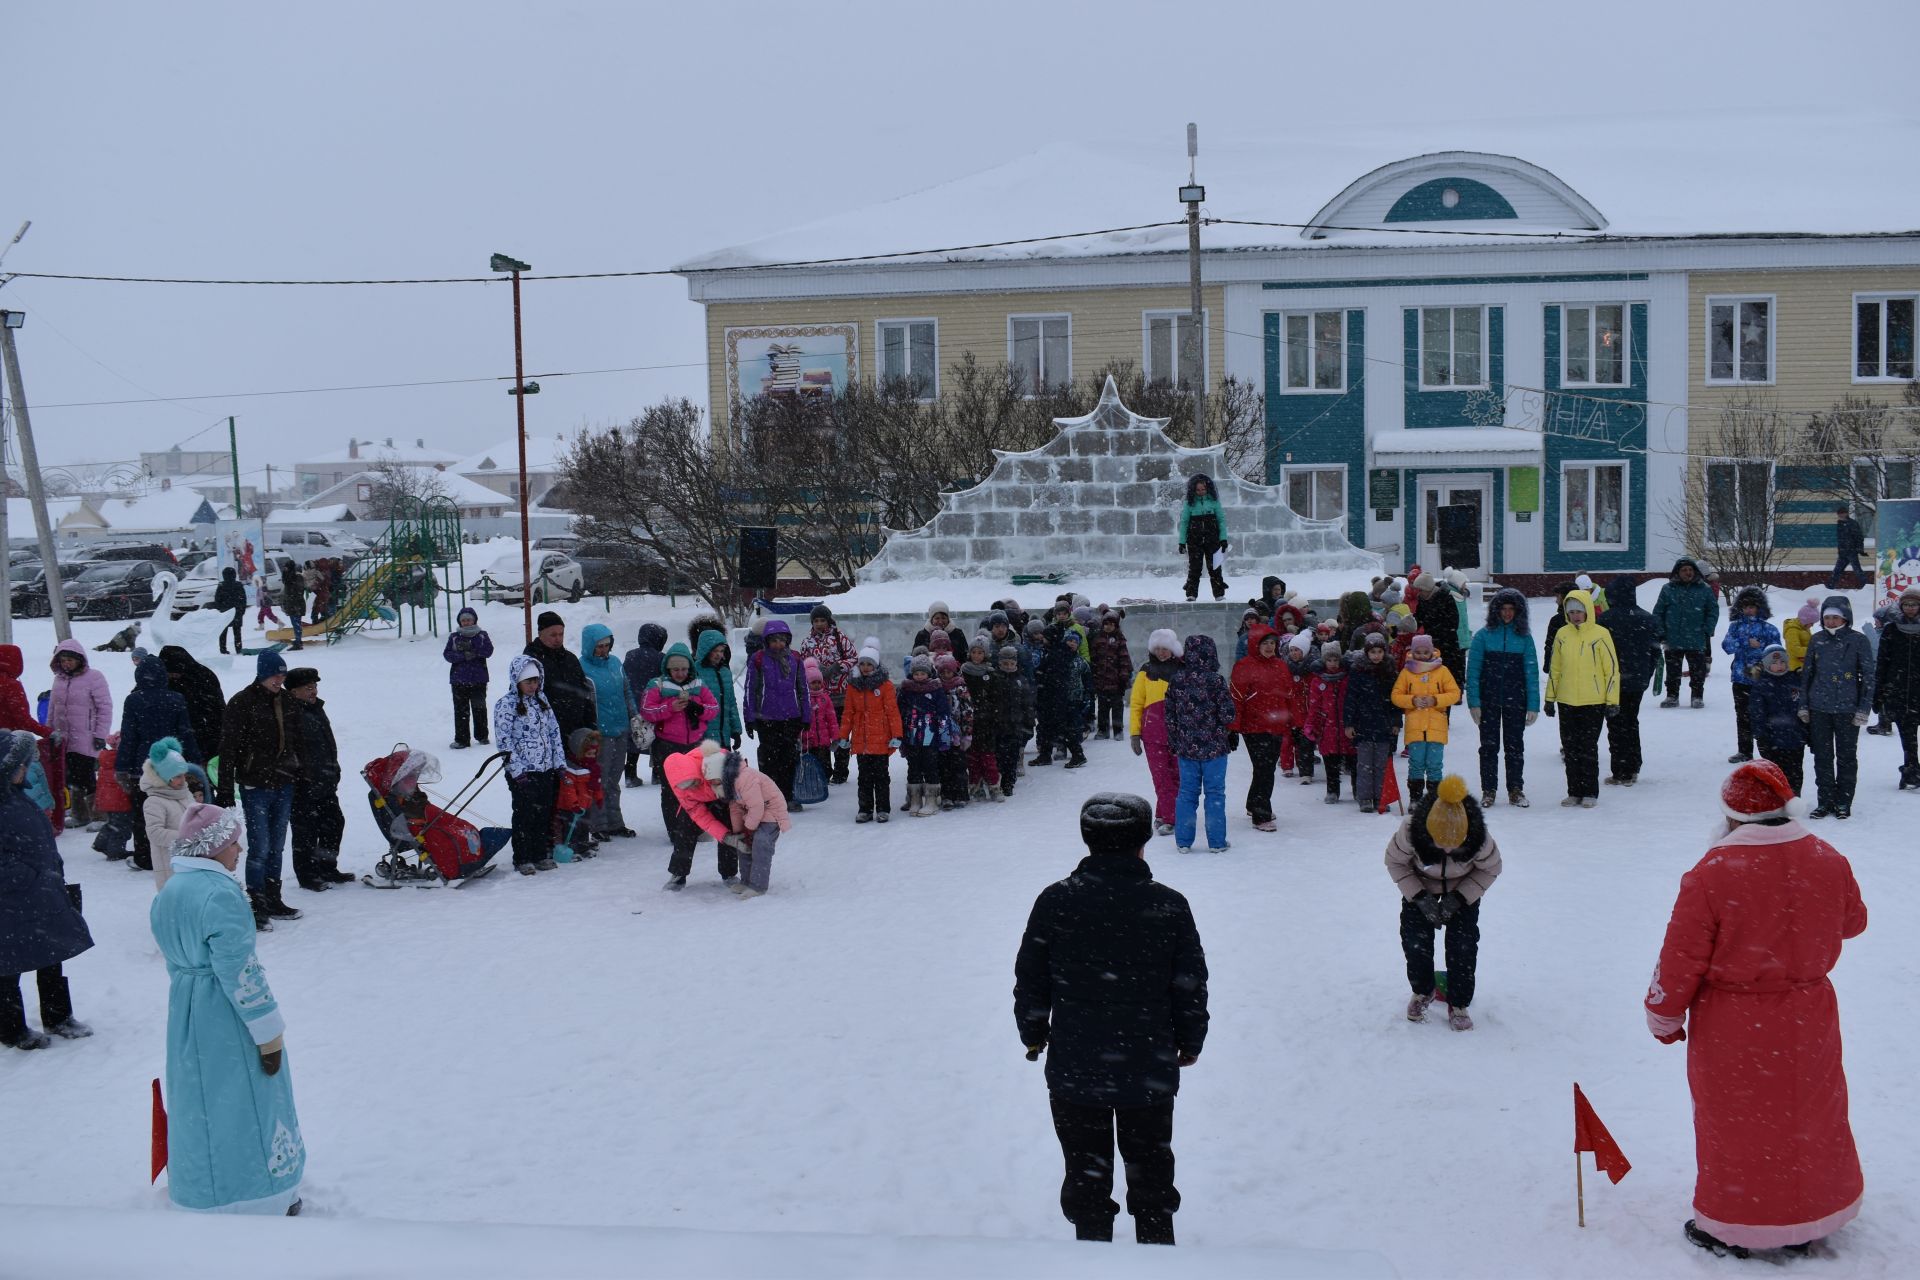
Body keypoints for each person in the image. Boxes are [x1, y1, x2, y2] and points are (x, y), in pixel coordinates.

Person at [1645, 760, 1865, 1258]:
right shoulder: (1828, 859)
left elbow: (1681, 957)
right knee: (1810, 1115)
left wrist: (1663, 1014)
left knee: (1738, 1122)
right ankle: (1812, 1213)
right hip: (1809, 1016)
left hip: (1734, 1021)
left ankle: (1737, 1222)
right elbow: (1853, 922)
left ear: (1731, 817)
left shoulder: (1713, 874)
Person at [1014, 793, 1208, 1246]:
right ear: (1144, 840)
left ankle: (1093, 1248)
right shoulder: (1168, 904)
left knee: (1085, 1169)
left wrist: (1033, 1033)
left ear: (1088, 839)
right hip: (1148, 1061)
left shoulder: (1056, 900)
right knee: (1151, 1167)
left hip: (1077, 1061)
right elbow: (1190, 982)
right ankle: (1157, 1249)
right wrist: (1191, 1040)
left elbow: (1031, 977)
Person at [150, 803, 306, 1215]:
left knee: (199, 1101)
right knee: (244, 1097)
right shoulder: (220, 893)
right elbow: (240, 971)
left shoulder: (171, 891)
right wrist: (268, 1033)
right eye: (233, 842)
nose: (239, 850)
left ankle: (202, 1188)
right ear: (213, 847)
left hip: (186, 1010)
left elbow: (173, 956)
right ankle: (258, 1194)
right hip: (226, 1014)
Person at [1, 730, 94, 1051]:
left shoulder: (18, 795)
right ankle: (12, 1029)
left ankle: (58, 1017)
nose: (26, 770)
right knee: (8, 968)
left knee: (52, 954)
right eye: (21, 764)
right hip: (12, 901)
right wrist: (26, 876)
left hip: (42, 893)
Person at [1386, 775, 1501, 1032]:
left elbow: (1491, 869)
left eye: (1454, 846)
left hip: (1462, 889)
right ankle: (1422, 991)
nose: (1447, 851)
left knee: (1463, 943)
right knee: (1415, 940)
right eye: (1441, 845)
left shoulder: (1478, 837)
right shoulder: (1410, 831)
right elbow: (1394, 862)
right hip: (1421, 886)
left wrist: (1460, 898)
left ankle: (1459, 1002)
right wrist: (1419, 896)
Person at [215, 652, 303, 928]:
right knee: (260, 847)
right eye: (275, 674)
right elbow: (227, 749)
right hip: (255, 785)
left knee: (277, 846)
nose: (280, 680)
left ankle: (273, 896)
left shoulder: (287, 701)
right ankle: (256, 901)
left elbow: (298, 741)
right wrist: (225, 789)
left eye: (283, 675)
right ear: (262, 673)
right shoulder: (242, 702)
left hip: (284, 782)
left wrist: (300, 772)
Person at [117, 654, 200, 872]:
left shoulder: (134, 700)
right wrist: (194, 762)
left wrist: (122, 767)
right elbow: (186, 733)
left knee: (144, 813)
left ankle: (145, 856)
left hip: (142, 766)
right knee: (175, 809)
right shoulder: (176, 698)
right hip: (172, 764)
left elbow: (129, 737)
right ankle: (178, 851)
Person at [1800, 597, 1875, 820]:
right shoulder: (1817, 640)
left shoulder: (1858, 640)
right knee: (1822, 757)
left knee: (1846, 757)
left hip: (1847, 709)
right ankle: (1825, 800)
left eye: (1835, 617)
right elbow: (1807, 675)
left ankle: (1843, 801)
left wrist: (1864, 708)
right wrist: (1804, 704)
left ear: (1845, 618)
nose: (1831, 621)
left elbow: (1869, 676)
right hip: (1819, 707)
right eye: (1827, 617)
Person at [1544, 588, 1619, 808]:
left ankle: (1589, 792)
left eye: (1579, 611)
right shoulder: (1562, 635)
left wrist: (1612, 700)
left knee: (1587, 746)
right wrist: (1550, 698)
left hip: (1592, 701)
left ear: (1587, 611)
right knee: (1570, 748)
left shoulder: (1600, 634)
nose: (1576, 615)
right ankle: (1574, 791)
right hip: (1566, 701)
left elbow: (1611, 670)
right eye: (1572, 611)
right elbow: (1555, 669)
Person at [1465, 587, 1539, 808]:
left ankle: (1515, 789)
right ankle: (1489, 790)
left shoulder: (1525, 639)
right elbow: (1473, 672)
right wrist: (1474, 703)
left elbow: (1531, 673)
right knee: (1488, 747)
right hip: (1488, 702)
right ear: (1496, 611)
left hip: (1516, 701)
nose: (1507, 613)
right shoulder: (1482, 636)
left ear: (1519, 612)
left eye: (1511, 609)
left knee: (1515, 746)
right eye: (1503, 609)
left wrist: (1533, 704)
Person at [493, 655, 566, 875]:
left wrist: (559, 763)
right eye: (528, 682)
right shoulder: (506, 705)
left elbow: (554, 733)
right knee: (525, 814)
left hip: (545, 769)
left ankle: (540, 853)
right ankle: (523, 857)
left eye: (536, 680)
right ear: (517, 681)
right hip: (523, 773)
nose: (533, 686)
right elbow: (504, 741)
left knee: (543, 813)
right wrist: (516, 770)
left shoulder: (542, 701)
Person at [1162, 634, 1235, 854]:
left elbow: (1170, 716)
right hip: (1215, 748)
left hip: (1186, 749)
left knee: (1186, 793)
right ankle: (1216, 841)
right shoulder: (1216, 680)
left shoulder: (1177, 680)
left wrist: (1176, 740)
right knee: (1215, 794)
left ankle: (1183, 841)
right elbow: (1228, 715)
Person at [285, 668, 353, 891]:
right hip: (303, 785)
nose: (313, 691)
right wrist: (301, 777)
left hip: (325, 781)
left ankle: (327, 866)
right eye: (308, 687)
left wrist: (333, 770)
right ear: (294, 691)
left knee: (334, 823)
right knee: (306, 831)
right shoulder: (290, 713)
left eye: (315, 686)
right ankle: (307, 875)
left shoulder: (316, 709)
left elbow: (326, 743)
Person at [1228, 623, 1293, 833]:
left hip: (1275, 724)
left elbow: (1288, 694)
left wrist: (1293, 720)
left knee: (1265, 768)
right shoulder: (1244, 666)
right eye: (1265, 643)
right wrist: (1233, 727)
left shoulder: (1280, 666)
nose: (1269, 647)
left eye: (1272, 643)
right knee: (1264, 768)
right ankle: (1261, 813)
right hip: (1253, 727)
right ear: (1256, 644)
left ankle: (1253, 803)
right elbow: (1236, 699)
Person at [1598, 575, 1661, 788]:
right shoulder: (1648, 618)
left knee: (1616, 724)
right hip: (1638, 678)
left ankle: (1621, 770)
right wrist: (1646, 673)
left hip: (1614, 679)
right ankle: (1633, 766)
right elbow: (1654, 651)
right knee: (1631, 721)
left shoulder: (1605, 619)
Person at [578, 623, 637, 839]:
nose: (604, 650)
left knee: (614, 779)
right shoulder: (582, 668)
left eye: (606, 645)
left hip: (620, 728)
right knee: (599, 780)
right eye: (599, 646)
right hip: (598, 733)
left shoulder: (615, 663)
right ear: (589, 646)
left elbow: (626, 691)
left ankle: (615, 822)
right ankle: (598, 825)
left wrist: (634, 715)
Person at [742, 619, 810, 805]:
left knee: (789, 757)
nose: (778, 644)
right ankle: (771, 796)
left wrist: (806, 715)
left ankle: (788, 795)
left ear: (787, 640)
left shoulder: (795, 659)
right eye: (774, 640)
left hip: (791, 717)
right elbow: (751, 689)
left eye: (782, 640)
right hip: (767, 719)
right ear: (766, 641)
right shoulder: (758, 659)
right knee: (769, 759)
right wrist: (749, 718)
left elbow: (803, 688)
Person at [47, 639, 113, 830]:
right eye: (63, 660)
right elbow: (53, 708)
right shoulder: (58, 680)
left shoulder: (94, 677)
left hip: (86, 737)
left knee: (87, 777)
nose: (66, 664)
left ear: (79, 659)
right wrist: (49, 731)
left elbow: (104, 707)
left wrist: (101, 734)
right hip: (64, 738)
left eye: (69, 660)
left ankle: (100, 816)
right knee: (72, 777)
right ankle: (79, 814)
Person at [709, 746, 791, 897]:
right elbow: (735, 809)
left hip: (771, 811)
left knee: (760, 842)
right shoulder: (728, 783)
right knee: (744, 844)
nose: (713, 785)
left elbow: (757, 806)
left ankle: (758, 886)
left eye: (714, 781)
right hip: (753, 813)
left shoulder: (745, 778)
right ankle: (746, 881)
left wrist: (749, 829)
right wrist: (739, 831)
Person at [660, 741, 741, 888]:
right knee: (684, 831)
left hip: (724, 797)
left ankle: (729, 873)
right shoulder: (681, 787)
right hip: (700, 803)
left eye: (694, 783)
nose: (692, 788)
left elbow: (742, 772)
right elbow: (699, 815)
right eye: (687, 787)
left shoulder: (716, 759)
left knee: (731, 829)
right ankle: (679, 873)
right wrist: (722, 835)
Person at [1391, 634, 1461, 804]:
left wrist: (1435, 700)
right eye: (1418, 652)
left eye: (1425, 652)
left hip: (1436, 729)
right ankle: (1415, 799)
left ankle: (1433, 801)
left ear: (1431, 651)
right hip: (1415, 728)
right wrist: (1412, 700)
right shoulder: (1406, 672)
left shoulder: (1442, 671)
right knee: (1416, 764)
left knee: (1435, 766)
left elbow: (1454, 694)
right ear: (1412, 652)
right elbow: (1396, 695)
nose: (1422, 655)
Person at [1128, 631, 1183, 837]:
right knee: (1162, 778)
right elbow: (1136, 704)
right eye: (1157, 648)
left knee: (1177, 776)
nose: (1161, 652)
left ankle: (1165, 813)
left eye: (1165, 648)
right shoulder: (1146, 671)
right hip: (1153, 734)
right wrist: (1135, 733)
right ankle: (1170, 817)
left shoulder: (1183, 670)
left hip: (1179, 734)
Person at [839, 643, 902, 822]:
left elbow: (892, 712)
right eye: (863, 664)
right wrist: (844, 735)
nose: (866, 668)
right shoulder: (853, 686)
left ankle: (883, 809)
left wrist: (897, 735)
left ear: (876, 666)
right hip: (861, 740)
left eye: (869, 664)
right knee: (864, 777)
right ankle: (865, 809)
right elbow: (848, 713)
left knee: (882, 777)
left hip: (881, 739)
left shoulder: (886, 686)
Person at [797, 605, 858, 785]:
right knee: (820, 735)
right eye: (816, 621)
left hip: (840, 693)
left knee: (841, 733)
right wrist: (815, 670)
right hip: (818, 697)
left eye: (822, 620)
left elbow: (854, 658)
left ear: (829, 620)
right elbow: (802, 664)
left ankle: (841, 771)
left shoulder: (840, 638)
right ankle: (824, 770)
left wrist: (838, 667)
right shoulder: (807, 641)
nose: (819, 624)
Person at [1721, 586, 1780, 764]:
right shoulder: (1735, 627)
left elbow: (1777, 653)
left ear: (1759, 607)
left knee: (1764, 714)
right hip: (1740, 678)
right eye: (1745, 606)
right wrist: (1745, 642)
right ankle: (1744, 751)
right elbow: (1727, 646)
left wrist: (1760, 648)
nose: (1748, 610)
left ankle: (1768, 749)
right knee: (1742, 715)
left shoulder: (1769, 629)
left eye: (1752, 606)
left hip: (1763, 679)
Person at [140, 737, 208, 893]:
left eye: (183, 775)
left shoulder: (184, 793)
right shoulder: (154, 801)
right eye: (177, 776)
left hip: (192, 857)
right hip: (170, 865)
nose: (183, 780)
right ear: (163, 777)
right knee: (176, 902)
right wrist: (186, 837)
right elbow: (155, 833)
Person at [1344, 632, 1401, 814]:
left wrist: (1395, 721)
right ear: (1367, 653)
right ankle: (1365, 797)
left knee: (1381, 764)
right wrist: (1349, 723)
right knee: (1365, 763)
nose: (1376, 655)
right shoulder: (1358, 671)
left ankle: (1380, 796)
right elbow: (1351, 698)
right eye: (1373, 652)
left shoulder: (1390, 672)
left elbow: (1395, 700)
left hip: (1383, 724)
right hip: (1364, 724)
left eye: (1379, 651)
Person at [1653, 557, 1719, 709]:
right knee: (1673, 671)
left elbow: (1713, 611)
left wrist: (1707, 630)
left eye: (1690, 570)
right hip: (1673, 638)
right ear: (1677, 572)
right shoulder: (1668, 589)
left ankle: (1697, 696)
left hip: (1696, 638)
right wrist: (1661, 633)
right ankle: (1672, 696)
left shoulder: (1704, 589)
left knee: (1697, 672)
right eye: (1684, 570)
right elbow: (1658, 612)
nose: (1687, 573)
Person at [524, 612, 596, 743]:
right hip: (544, 735)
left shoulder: (570, 659)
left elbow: (584, 693)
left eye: (561, 634)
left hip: (575, 733)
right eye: (553, 635)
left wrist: (591, 726)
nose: (558, 639)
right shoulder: (530, 661)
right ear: (540, 634)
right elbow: (522, 699)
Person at [895, 654, 952, 818]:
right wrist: (900, 736)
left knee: (930, 767)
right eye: (916, 673)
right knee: (913, 767)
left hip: (930, 736)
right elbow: (899, 712)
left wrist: (944, 737)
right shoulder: (906, 690)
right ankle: (915, 799)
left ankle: (932, 800)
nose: (919, 677)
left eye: (923, 673)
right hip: (911, 736)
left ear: (929, 673)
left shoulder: (936, 689)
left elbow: (943, 714)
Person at [1747, 645, 1808, 796]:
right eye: (1774, 663)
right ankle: (1776, 799)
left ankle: (1793, 797)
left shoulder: (1795, 681)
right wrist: (1760, 736)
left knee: (1795, 771)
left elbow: (1804, 708)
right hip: (1773, 739)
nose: (1779, 666)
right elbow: (1757, 713)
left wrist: (1806, 732)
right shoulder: (1762, 685)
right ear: (1767, 665)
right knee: (1774, 772)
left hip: (1795, 738)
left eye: (1782, 662)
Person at [1875, 585, 1920, 790]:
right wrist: (1879, 691)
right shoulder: (1892, 629)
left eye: (1914, 604)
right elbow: (1882, 662)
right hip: (1900, 690)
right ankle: (1911, 768)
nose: (1910, 608)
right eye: (1907, 604)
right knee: (1907, 734)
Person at [1302, 640, 1356, 804]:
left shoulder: (1347, 678)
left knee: (1354, 760)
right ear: (1324, 661)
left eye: (1335, 660)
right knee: (1330, 760)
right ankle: (1332, 790)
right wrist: (1312, 725)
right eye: (1329, 660)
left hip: (1346, 724)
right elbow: (1314, 705)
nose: (1332, 664)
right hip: (1328, 726)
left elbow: (1353, 701)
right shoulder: (1318, 681)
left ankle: (1357, 788)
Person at [1031, 624, 1089, 769]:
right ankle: (1045, 754)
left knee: (1061, 727)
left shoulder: (1057, 653)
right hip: (1053, 697)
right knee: (1046, 727)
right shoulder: (1055, 651)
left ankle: (1077, 755)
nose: (1042, 639)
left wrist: (1041, 678)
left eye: (1045, 637)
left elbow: (1053, 676)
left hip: (1055, 698)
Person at [158, 646, 224, 768]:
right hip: (175, 747)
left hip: (206, 741)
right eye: (169, 673)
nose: (172, 676)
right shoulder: (162, 681)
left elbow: (218, 712)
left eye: (174, 672)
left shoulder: (204, 677)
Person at [621, 624, 670, 786]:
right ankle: (657, 772)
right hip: (652, 703)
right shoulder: (660, 657)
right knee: (655, 738)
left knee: (634, 738)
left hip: (633, 703)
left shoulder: (630, 655)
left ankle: (630, 774)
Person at [957, 638, 1004, 802]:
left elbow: (996, 697)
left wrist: (994, 714)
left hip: (987, 721)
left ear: (986, 654)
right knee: (972, 757)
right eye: (974, 652)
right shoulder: (963, 672)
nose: (976, 656)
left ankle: (994, 785)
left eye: (980, 652)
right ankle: (975, 785)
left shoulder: (990, 673)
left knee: (988, 756)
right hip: (969, 721)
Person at [443, 606, 494, 750]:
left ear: (474, 620)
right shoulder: (454, 637)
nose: (466, 622)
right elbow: (447, 655)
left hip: (479, 679)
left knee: (479, 708)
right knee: (460, 711)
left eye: (469, 619)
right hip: (459, 680)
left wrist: (474, 651)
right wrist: (462, 656)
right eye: (463, 620)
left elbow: (488, 651)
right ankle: (462, 739)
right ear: (460, 622)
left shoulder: (482, 635)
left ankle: (482, 736)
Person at [1176, 473, 1229, 602]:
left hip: (1213, 539)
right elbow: (1184, 523)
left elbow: (1221, 520)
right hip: (1194, 539)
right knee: (1195, 567)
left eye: (1203, 489)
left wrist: (1223, 539)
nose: (1201, 492)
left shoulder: (1214, 502)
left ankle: (1219, 594)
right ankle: (1191, 593)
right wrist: (1182, 542)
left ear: (1208, 488)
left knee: (1215, 567)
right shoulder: (1189, 504)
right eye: (1198, 490)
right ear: (1193, 489)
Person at [1411, 572, 1465, 687]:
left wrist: (1435, 631)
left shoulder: (1446, 598)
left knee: (1449, 671)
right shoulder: (1423, 600)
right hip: (1431, 644)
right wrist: (1406, 625)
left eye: (1421, 590)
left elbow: (1453, 623)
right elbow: (1418, 618)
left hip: (1447, 644)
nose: (1418, 593)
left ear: (1428, 589)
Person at [995, 644, 1034, 800]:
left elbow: (1027, 703)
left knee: (1012, 756)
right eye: (1005, 664)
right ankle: (998, 781)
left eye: (1011, 664)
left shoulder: (1021, 680)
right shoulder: (995, 679)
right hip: (999, 724)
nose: (1008, 667)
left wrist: (1029, 722)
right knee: (999, 755)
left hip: (1015, 725)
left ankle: (1008, 783)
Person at [694, 629, 743, 749]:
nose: (719, 655)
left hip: (723, 736)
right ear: (705, 651)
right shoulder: (695, 672)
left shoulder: (725, 672)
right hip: (703, 738)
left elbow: (731, 703)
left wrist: (736, 729)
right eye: (715, 651)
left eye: (721, 651)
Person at [1089, 613, 1133, 742]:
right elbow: (1094, 658)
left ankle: (1118, 730)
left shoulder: (1120, 640)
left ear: (1116, 626)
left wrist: (1124, 676)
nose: (1108, 627)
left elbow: (1124, 659)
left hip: (1116, 681)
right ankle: (1103, 730)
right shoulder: (1098, 639)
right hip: (1101, 680)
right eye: (1106, 624)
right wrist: (1094, 674)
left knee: (1117, 707)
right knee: (1102, 707)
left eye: (1111, 625)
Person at [1828, 505, 1867, 590]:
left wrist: (1859, 549)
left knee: (1857, 570)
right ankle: (1829, 587)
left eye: (1842, 513)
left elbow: (1859, 537)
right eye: (1839, 514)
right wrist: (1840, 550)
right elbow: (1841, 539)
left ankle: (1866, 586)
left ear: (1846, 513)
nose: (1841, 515)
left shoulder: (1852, 523)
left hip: (1851, 551)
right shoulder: (1840, 524)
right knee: (1837, 571)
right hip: (1842, 552)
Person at [213, 566, 247, 655]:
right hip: (237, 612)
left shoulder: (221, 585)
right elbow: (243, 599)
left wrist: (220, 610)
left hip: (225, 612)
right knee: (237, 633)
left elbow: (217, 600)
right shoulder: (238, 585)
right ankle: (238, 648)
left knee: (223, 632)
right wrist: (242, 611)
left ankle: (223, 649)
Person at [279, 558, 306, 651]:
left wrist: (294, 603)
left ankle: (298, 642)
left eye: (286, 568)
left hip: (296, 605)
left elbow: (298, 591)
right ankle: (298, 641)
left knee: (296, 623)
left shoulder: (296, 578)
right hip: (292, 605)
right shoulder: (288, 578)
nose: (284, 570)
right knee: (295, 623)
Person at [1784, 600, 1818, 672]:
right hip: (1796, 668)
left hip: (1805, 665)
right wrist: (1813, 651)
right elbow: (1794, 650)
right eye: (1811, 623)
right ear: (1805, 620)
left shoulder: (1804, 628)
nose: (1812, 625)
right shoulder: (1792, 630)